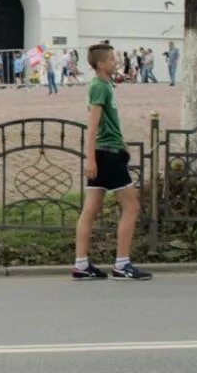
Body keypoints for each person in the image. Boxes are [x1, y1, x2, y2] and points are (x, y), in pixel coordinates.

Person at [72, 43, 152, 281]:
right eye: (111, 58)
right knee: (132, 207)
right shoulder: (99, 87)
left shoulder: (105, 85)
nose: (115, 61)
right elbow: (93, 123)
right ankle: (122, 263)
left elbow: (107, 122)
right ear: (101, 64)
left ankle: (81, 264)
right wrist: (90, 157)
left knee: (91, 209)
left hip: (107, 151)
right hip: (107, 154)